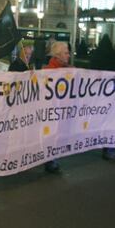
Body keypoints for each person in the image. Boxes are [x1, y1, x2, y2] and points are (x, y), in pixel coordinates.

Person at [43, 41, 71, 173]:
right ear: (58, 55)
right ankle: (50, 161)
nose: (68, 55)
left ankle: (52, 160)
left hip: (64, 111)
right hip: (52, 113)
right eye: (66, 53)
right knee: (51, 136)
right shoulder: (48, 72)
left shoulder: (69, 70)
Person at [90, 34, 115, 160]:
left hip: (99, 94)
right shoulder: (112, 55)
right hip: (111, 94)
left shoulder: (97, 55)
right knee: (110, 121)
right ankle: (108, 147)